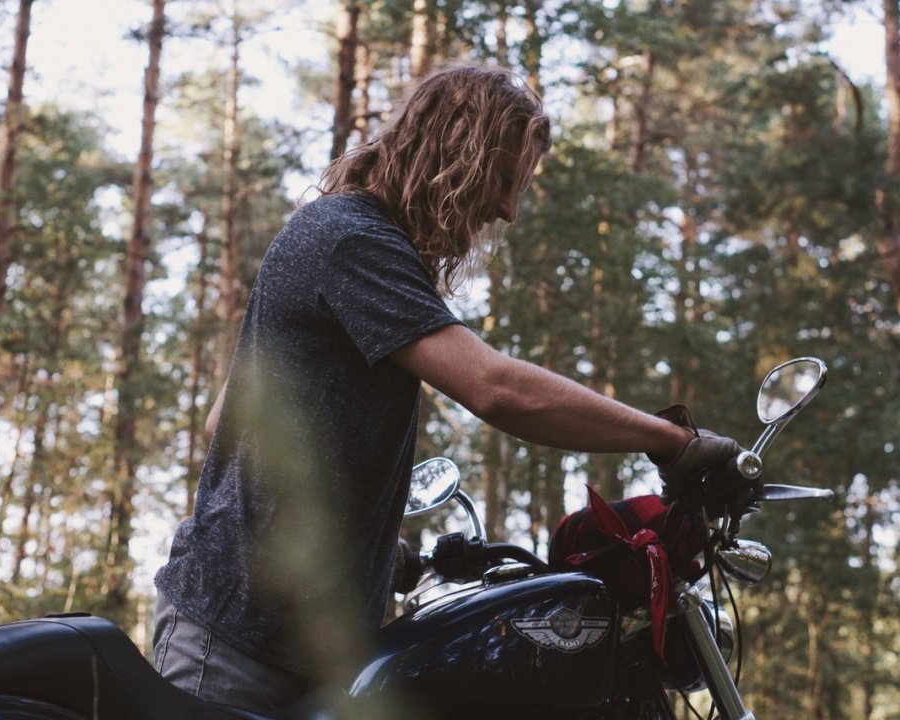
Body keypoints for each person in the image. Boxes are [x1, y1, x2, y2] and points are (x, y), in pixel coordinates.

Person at [152, 63, 743, 713]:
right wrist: (670, 439)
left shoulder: (345, 236)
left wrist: (386, 555)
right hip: (238, 642)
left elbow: (223, 425)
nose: (506, 210)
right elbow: (495, 388)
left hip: (293, 642)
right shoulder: (352, 238)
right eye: (501, 182)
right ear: (452, 151)